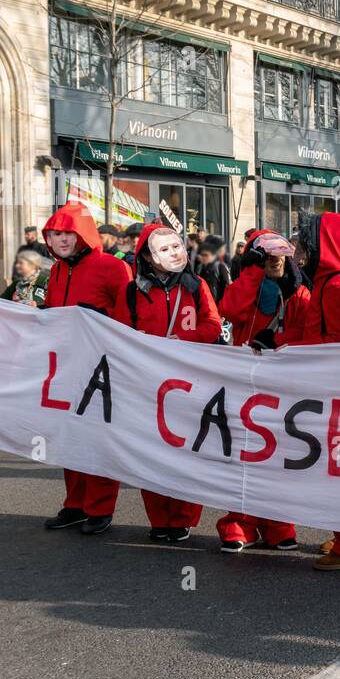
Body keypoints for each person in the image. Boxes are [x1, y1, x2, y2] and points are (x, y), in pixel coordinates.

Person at [113, 223, 221, 542]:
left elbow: (213, 325)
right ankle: (160, 519)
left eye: (176, 247)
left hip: (189, 383)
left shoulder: (196, 285)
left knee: (187, 451)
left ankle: (183, 518)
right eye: (164, 248)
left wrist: (182, 339)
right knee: (151, 452)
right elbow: (119, 334)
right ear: (147, 255)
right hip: (146, 384)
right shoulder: (131, 291)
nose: (173, 253)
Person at [281, 213, 340, 573]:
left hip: (338, 395)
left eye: (305, 244)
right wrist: (280, 345)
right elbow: (312, 333)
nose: (300, 253)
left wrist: (291, 353)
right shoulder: (334, 280)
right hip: (338, 392)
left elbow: (336, 347)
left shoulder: (337, 286)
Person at [41, 201, 133, 534]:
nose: (61, 239)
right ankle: (75, 503)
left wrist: (100, 317)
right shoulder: (55, 271)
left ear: (82, 234)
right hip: (67, 364)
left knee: (97, 437)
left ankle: (99, 507)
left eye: (67, 232)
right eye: (55, 234)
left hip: (102, 366)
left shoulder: (112, 267)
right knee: (69, 436)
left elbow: (129, 316)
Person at [214, 231, 310, 552]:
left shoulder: (299, 292)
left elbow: (310, 331)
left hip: (285, 386)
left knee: (280, 453)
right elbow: (229, 309)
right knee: (245, 453)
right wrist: (253, 271)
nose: (277, 261)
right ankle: (240, 523)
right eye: (269, 256)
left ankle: (278, 523)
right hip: (246, 383)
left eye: (280, 255)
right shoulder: (248, 286)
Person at [195, 236, 231, 306]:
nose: (203, 258)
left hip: (217, 305)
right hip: (204, 303)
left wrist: (223, 305)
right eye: (202, 255)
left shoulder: (220, 267)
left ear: (213, 255)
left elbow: (227, 286)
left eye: (206, 255)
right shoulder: (200, 268)